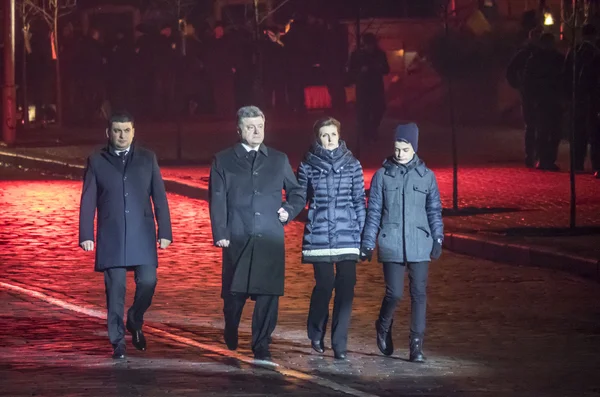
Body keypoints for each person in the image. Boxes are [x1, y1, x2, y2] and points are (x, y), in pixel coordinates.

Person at [208, 106, 305, 361]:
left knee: (268, 293)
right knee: (234, 292)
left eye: (260, 126)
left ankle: (261, 344)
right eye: (250, 127)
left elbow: (296, 192)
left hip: (269, 237)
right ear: (239, 129)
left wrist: (289, 210)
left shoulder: (278, 159)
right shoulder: (223, 160)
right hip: (238, 235)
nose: (256, 131)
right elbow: (217, 199)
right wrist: (221, 231)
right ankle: (231, 325)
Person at [79, 111, 172, 359]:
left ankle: (134, 317)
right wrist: (86, 233)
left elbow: (159, 197)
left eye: (127, 130)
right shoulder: (97, 160)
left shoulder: (147, 158)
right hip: (112, 234)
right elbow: (88, 199)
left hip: (142, 233)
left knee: (149, 281)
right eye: (117, 131)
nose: (122, 135)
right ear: (109, 133)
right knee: (116, 290)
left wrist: (165, 230)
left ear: (134, 131)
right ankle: (117, 342)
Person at [361, 123, 443, 363]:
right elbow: (374, 211)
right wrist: (368, 242)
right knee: (394, 293)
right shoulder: (382, 176)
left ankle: (416, 345)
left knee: (419, 294)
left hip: (420, 241)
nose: (399, 153)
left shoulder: (427, 176)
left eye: (404, 149)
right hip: (392, 241)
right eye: (396, 148)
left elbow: (434, 210)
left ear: (414, 148)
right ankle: (383, 325)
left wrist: (438, 237)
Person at [296, 117, 366, 360]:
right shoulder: (307, 165)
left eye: (333, 134)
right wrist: (283, 211)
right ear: (318, 138)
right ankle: (316, 331)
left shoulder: (353, 164)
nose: (329, 139)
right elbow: (298, 197)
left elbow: (359, 201)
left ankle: (339, 343)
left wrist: (364, 234)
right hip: (319, 235)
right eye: (324, 135)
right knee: (325, 285)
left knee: (346, 289)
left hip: (348, 235)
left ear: (339, 135)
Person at [348, 33, 390, 142]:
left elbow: (386, 69)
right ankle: (365, 131)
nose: (369, 47)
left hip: (376, 85)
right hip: (363, 85)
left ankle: (373, 129)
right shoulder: (357, 55)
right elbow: (351, 70)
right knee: (364, 109)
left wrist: (378, 68)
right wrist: (360, 71)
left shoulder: (380, 54)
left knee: (378, 108)